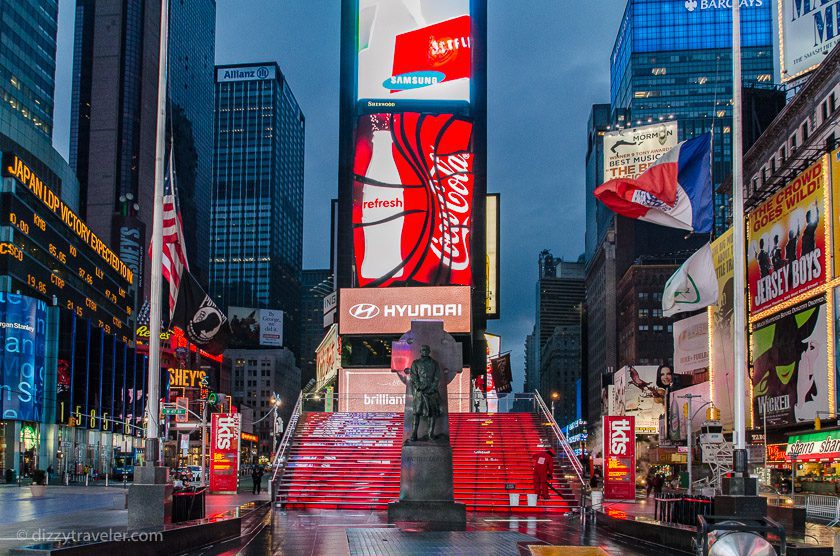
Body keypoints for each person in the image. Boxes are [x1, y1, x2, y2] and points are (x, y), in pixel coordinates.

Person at [408, 345, 443, 442]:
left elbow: (437, 377)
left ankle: (430, 434)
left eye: (426, 350)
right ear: (420, 351)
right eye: (423, 350)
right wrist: (419, 386)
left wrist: (432, 387)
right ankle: (414, 434)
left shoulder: (434, 363)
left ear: (429, 351)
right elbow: (413, 376)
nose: (425, 351)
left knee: (432, 414)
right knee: (416, 413)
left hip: (432, 392)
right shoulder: (416, 363)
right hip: (420, 392)